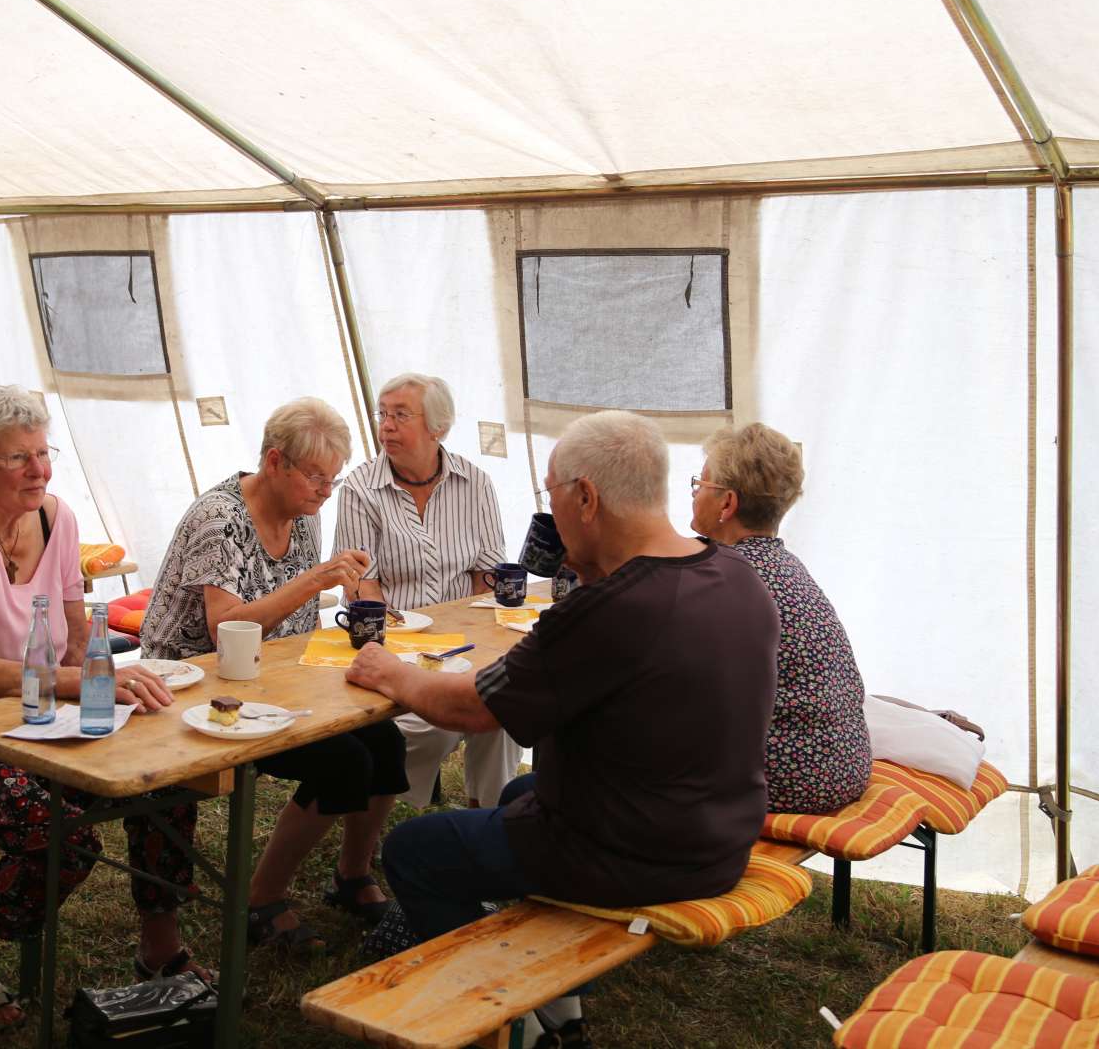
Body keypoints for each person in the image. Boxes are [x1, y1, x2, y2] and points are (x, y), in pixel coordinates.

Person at [347, 411, 778, 1049]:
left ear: (585, 496)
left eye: (551, 495)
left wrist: (389, 671)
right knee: (519, 795)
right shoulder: (737, 574)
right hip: (720, 837)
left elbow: (472, 710)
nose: (551, 514)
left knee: (415, 849)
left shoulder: (612, 609)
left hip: (634, 856)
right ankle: (562, 1012)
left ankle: (506, 1017)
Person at [0, 385, 199, 1029]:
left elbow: (76, 629)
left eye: (43, 454)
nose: (39, 470)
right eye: (17, 458)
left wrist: (93, 709)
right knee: (60, 836)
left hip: (34, 718)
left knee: (166, 782)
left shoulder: (56, 517)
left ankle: (160, 947)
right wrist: (84, 689)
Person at [140, 397, 407, 953]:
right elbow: (226, 632)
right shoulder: (221, 519)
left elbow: (294, 629)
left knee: (384, 741)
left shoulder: (300, 514)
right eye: (316, 477)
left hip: (266, 685)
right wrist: (316, 580)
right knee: (343, 761)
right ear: (274, 461)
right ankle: (260, 899)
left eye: (332, 481)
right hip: (189, 692)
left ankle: (352, 875)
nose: (324, 492)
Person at [334, 373, 519, 809]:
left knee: (505, 715)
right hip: (398, 653)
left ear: (438, 427)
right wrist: (396, 654)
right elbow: (363, 585)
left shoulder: (475, 483)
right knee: (428, 729)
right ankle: (398, 815)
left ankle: (487, 820)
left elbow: (486, 576)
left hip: (466, 647)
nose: (387, 426)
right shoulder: (361, 488)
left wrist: (476, 650)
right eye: (383, 414)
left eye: (401, 415)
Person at [691, 422, 872, 815]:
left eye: (700, 484)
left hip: (788, 780)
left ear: (727, 504)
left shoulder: (725, 577)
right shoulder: (786, 566)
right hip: (843, 766)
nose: (693, 494)